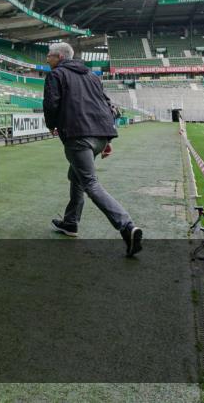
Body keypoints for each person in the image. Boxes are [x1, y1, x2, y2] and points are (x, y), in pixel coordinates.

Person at [43, 42, 143, 257]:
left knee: (89, 182)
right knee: (76, 176)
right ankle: (70, 223)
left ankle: (126, 226)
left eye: (49, 56)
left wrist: (51, 125)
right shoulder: (91, 76)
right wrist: (107, 140)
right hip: (99, 135)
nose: (46, 59)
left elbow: (51, 104)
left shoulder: (56, 75)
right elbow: (106, 105)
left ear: (59, 56)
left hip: (78, 135)